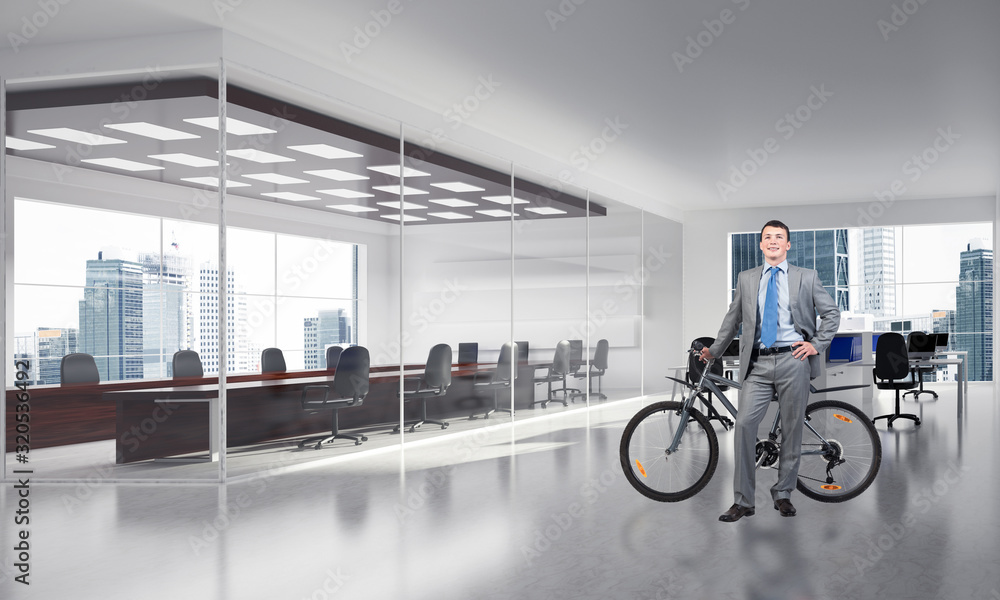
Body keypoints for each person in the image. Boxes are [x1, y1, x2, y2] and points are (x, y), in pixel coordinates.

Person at [699, 220, 840, 522]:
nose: (773, 241)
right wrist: (715, 350)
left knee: (792, 430)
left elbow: (831, 313)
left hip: (794, 360)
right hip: (758, 363)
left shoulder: (807, 277)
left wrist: (816, 345)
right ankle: (743, 501)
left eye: (779, 237)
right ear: (761, 245)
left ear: (788, 245)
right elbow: (732, 319)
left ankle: (784, 493)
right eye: (767, 237)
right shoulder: (747, 278)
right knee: (745, 425)